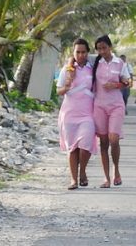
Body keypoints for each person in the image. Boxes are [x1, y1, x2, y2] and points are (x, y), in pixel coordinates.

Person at [56, 38, 97, 190]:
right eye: (78, 52)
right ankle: (73, 179)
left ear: (88, 53)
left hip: (87, 112)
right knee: (72, 147)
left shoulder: (92, 69)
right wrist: (67, 84)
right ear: (73, 53)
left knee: (85, 145)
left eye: (83, 52)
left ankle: (83, 171)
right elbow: (59, 91)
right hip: (69, 112)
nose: (81, 55)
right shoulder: (66, 70)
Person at [92, 35, 130, 188]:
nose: (102, 51)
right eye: (99, 49)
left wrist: (116, 85)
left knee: (114, 139)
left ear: (110, 47)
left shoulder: (119, 63)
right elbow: (75, 58)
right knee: (103, 142)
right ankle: (106, 178)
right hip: (99, 105)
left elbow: (127, 82)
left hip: (116, 105)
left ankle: (116, 170)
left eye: (104, 48)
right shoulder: (94, 61)